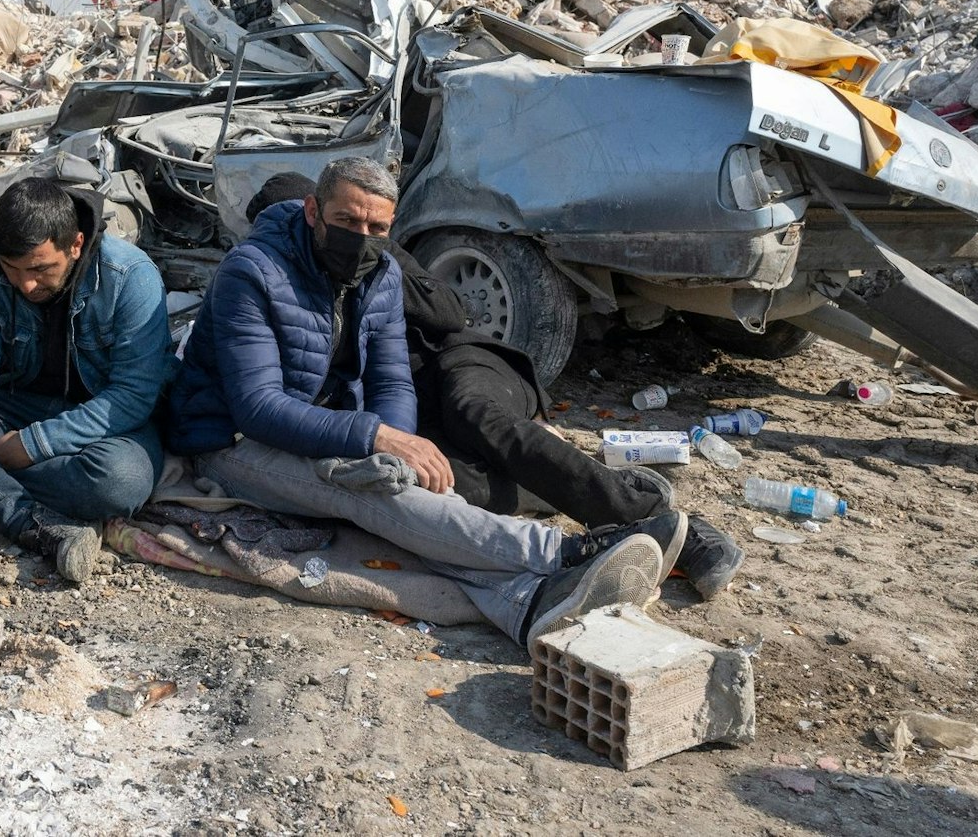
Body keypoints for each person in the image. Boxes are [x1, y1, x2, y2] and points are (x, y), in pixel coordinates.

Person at [170, 157, 688, 648]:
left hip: (325, 419)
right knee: (364, 492)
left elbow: (392, 380)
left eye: (377, 230)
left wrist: (395, 450)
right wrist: (376, 438)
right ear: (312, 212)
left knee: (402, 486)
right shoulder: (254, 272)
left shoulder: (382, 275)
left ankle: (525, 603)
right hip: (231, 441)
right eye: (345, 220)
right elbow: (257, 407)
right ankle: (568, 555)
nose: (361, 238)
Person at [242, 173, 745, 600]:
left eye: (361, 226)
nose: (348, 237)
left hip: (462, 361)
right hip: (415, 409)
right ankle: (562, 482)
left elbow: (449, 313)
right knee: (435, 483)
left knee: (475, 414)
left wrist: (378, 265)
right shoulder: (273, 282)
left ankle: (659, 518)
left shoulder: (377, 253)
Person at [0, 178, 168, 583]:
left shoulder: (130, 276)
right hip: (14, 406)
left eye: (40, 268)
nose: (26, 284)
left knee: (121, 483)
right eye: (13, 270)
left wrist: (34, 445)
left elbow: (131, 396)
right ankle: (15, 508)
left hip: (104, 422)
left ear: (75, 244)